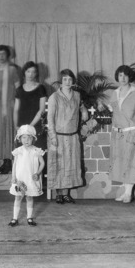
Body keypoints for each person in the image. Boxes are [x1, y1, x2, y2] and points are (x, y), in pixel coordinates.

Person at [46, 69, 87, 204]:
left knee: (70, 165)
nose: (67, 82)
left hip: (72, 136)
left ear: (73, 81)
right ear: (61, 81)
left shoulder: (77, 95)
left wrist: (84, 112)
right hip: (58, 136)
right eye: (65, 79)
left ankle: (66, 194)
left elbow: (82, 111)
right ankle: (58, 194)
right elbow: (50, 118)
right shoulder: (54, 97)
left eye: (70, 79)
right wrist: (53, 137)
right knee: (58, 165)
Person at [106, 65, 135, 203]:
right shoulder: (114, 93)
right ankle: (126, 192)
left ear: (130, 77)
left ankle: (128, 193)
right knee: (121, 163)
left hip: (131, 132)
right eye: (120, 75)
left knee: (131, 162)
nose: (122, 78)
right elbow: (112, 113)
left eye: (125, 75)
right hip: (117, 134)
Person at [0, 45, 21, 173]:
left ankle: (9, 161)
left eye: (4, 54)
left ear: (8, 55)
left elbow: (18, 87)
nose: (1, 56)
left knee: (8, 131)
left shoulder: (12, 69)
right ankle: (0, 161)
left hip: (9, 105)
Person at [8, 125, 45, 227]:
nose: (26, 140)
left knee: (29, 197)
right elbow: (15, 165)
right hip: (20, 179)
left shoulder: (36, 151)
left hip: (30, 179)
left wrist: (37, 173)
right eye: (24, 137)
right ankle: (14, 218)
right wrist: (13, 176)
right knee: (18, 197)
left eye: (29, 137)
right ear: (20, 139)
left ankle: (29, 217)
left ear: (33, 139)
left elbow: (42, 163)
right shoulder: (18, 151)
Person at [13, 61, 48, 150]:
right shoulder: (19, 90)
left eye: (33, 72)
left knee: (37, 154)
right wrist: (16, 126)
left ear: (36, 74)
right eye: (28, 71)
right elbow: (16, 110)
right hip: (22, 126)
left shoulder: (41, 88)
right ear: (24, 72)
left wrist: (30, 126)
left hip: (36, 125)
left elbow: (42, 110)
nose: (30, 74)